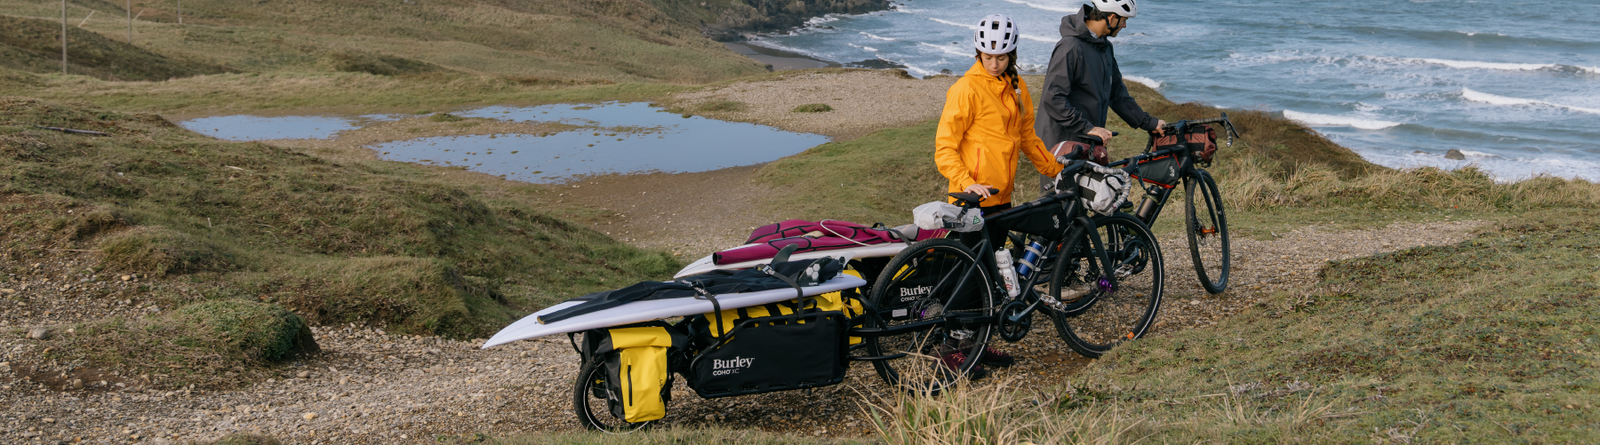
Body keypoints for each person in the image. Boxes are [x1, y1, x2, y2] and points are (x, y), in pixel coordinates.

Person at [932, 13, 1060, 377]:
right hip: (971, 199)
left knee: (987, 277)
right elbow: (945, 147)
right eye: (988, 56)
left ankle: (975, 345)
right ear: (978, 52)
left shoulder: (1016, 86)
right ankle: (950, 353)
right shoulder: (966, 89)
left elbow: (1026, 138)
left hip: (1000, 198)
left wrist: (1055, 170)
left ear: (1012, 55)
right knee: (968, 279)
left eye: (1001, 57)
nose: (994, 63)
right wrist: (964, 181)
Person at [1035, 0, 1166, 194]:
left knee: (1085, 206)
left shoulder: (1104, 47)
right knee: (1058, 210)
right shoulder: (1070, 47)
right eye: (1123, 20)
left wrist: (1149, 123)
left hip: (1086, 141)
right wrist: (1088, 128)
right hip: (1061, 143)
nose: (1124, 26)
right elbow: (1053, 98)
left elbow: (1118, 95)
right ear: (1111, 17)